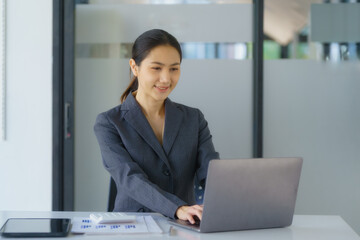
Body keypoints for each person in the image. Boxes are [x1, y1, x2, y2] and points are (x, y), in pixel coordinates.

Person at [94, 29, 219, 224]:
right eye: (156, 68)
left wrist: (233, 198)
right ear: (135, 67)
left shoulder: (194, 119)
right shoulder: (109, 123)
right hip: (133, 227)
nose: (166, 79)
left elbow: (211, 173)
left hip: (185, 227)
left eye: (174, 69)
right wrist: (177, 208)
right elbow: (130, 179)